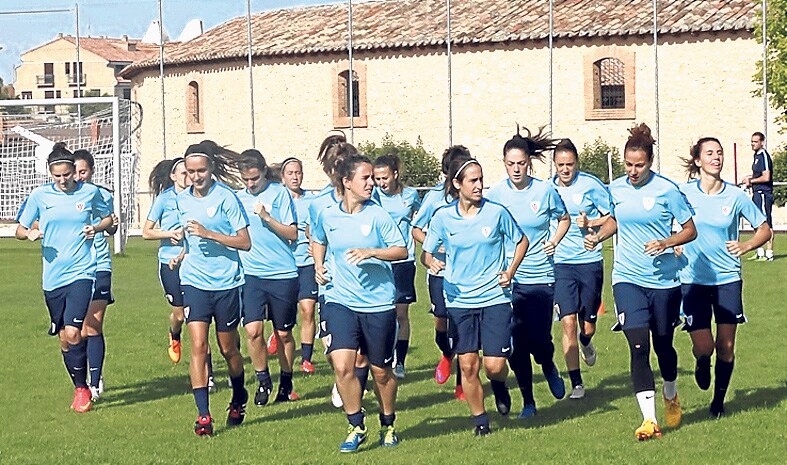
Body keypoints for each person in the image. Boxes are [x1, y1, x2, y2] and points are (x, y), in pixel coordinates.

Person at [584, 123, 697, 441]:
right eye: (628, 165)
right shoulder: (616, 189)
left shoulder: (667, 191)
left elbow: (690, 230)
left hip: (663, 281)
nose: (633, 171)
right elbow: (615, 220)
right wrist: (598, 237)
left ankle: (671, 394)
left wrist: (666, 242)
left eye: (639, 165)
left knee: (664, 345)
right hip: (627, 278)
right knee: (638, 347)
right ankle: (649, 421)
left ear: (650, 162)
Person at [423, 156, 527, 436]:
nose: (480, 185)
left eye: (481, 179)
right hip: (459, 300)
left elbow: (521, 241)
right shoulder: (443, 217)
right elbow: (426, 252)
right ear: (457, 184)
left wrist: (510, 270)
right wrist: (431, 261)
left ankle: (500, 385)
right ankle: (481, 421)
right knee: (468, 365)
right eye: (473, 180)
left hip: (494, 297)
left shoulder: (496, 213)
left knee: (493, 366)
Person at [311, 154, 408, 452]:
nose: (371, 183)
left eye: (372, 178)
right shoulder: (328, 215)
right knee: (342, 366)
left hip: (377, 304)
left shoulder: (378, 215)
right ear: (347, 182)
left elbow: (401, 250)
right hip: (339, 299)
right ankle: (356, 425)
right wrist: (318, 265)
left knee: (381, 372)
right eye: (365, 178)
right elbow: (318, 239)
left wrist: (372, 252)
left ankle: (388, 423)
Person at [16, 143, 113, 413]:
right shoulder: (40, 196)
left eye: (67, 174)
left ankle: (84, 389)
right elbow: (20, 229)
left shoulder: (91, 192)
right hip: (52, 276)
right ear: (50, 174)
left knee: (74, 331)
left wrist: (97, 227)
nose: (62, 180)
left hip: (83, 271)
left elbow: (110, 220)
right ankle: (79, 385)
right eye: (57, 175)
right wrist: (30, 234)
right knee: (64, 337)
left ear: (74, 171)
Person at [677, 137, 771, 417]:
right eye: (710, 153)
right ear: (698, 161)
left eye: (719, 153)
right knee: (704, 346)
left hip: (727, 278)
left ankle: (718, 402)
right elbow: (666, 220)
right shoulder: (683, 194)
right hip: (692, 278)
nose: (716, 157)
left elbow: (764, 228)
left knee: (727, 346)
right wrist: (674, 242)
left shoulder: (735, 196)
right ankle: (701, 361)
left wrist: (747, 245)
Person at [486, 127, 571, 418]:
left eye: (521, 163)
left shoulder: (545, 190)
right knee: (516, 343)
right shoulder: (495, 194)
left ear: (528, 163)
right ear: (504, 164)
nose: (516, 169)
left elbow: (564, 219)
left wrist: (554, 241)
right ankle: (528, 402)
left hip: (540, 277)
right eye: (510, 164)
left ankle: (548, 364)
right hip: (508, 281)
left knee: (539, 339)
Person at [176, 141, 251, 436]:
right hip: (194, 280)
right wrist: (179, 251)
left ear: (211, 169)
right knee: (198, 346)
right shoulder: (181, 200)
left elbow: (244, 242)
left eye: (201, 170)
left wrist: (210, 234)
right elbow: (184, 237)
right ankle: (204, 416)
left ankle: (239, 395)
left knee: (227, 348)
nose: (196, 176)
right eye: (191, 171)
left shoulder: (227, 198)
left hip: (227, 282)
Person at [235, 149, 300, 406]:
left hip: (282, 273)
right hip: (251, 275)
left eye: (255, 179)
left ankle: (286, 379)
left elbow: (292, 234)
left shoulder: (279, 193)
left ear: (264, 172)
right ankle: (262, 380)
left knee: (283, 333)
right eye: (246, 180)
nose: (250, 184)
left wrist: (266, 217)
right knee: (252, 331)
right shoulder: (237, 198)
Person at [550, 139, 611, 399]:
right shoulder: (547, 189)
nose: (565, 170)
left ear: (577, 164)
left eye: (570, 165)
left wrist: (591, 224)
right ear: (554, 164)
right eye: (561, 165)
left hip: (589, 261)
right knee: (567, 323)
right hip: (561, 264)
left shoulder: (590, 185)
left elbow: (612, 217)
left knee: (586, 328)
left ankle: (586, 342)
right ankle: (576, 383)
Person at [411, 145, 473, 399]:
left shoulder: (474, 197)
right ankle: (446, 355)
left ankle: (462, 382)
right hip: (439, 271)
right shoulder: (434, 198)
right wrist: (431, 248)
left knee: (462, 326)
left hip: (468, 272)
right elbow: (416, 228)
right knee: (441, 321)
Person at [72, 149, 119, 402]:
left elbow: (110, 225)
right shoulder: (64, 196)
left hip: (99, 264)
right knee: (75, 331)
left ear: (91, 171)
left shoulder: (101, 195)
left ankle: (95, 380)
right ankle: (81, 381)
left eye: (83, 171)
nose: (79, 177)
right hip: (74, 268)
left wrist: (110, 225)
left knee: (93, 324)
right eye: (76, 172)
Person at [373, 153, 421, 379]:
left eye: (384, 178)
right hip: (381, 261)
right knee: (384, 313)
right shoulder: (372, 196)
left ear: (395, 174)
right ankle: (381, 357)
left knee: (401, 313)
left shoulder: (410, 195)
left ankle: (399, 361)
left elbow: (421, 218)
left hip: (404, 260)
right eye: (377, 178)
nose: (381, 183)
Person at [280, 157, 319, 374]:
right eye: (290, 173)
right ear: (282, 177)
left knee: (308, 309)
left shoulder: (312, 201)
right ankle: (279, 336)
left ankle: (306, 359)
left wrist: (314, 242)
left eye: (298, 172)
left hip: (307, 263)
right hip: (283, 264)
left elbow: (317, 227)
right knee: (285, 314)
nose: (295, 177)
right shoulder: (277, 200)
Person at [742, 132, 774, 261]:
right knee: (756, 222)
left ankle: (769, 253)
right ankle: (760, 252)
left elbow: (766, 177)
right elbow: (757, 175)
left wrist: (752, 181)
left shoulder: (764, 156)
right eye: (752, 141)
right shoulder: (756, 156)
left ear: (762, 142)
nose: (753, 144)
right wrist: (749, 178)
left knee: (766, 223)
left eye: (755, 142)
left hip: (763, 194)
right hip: (756, 193)